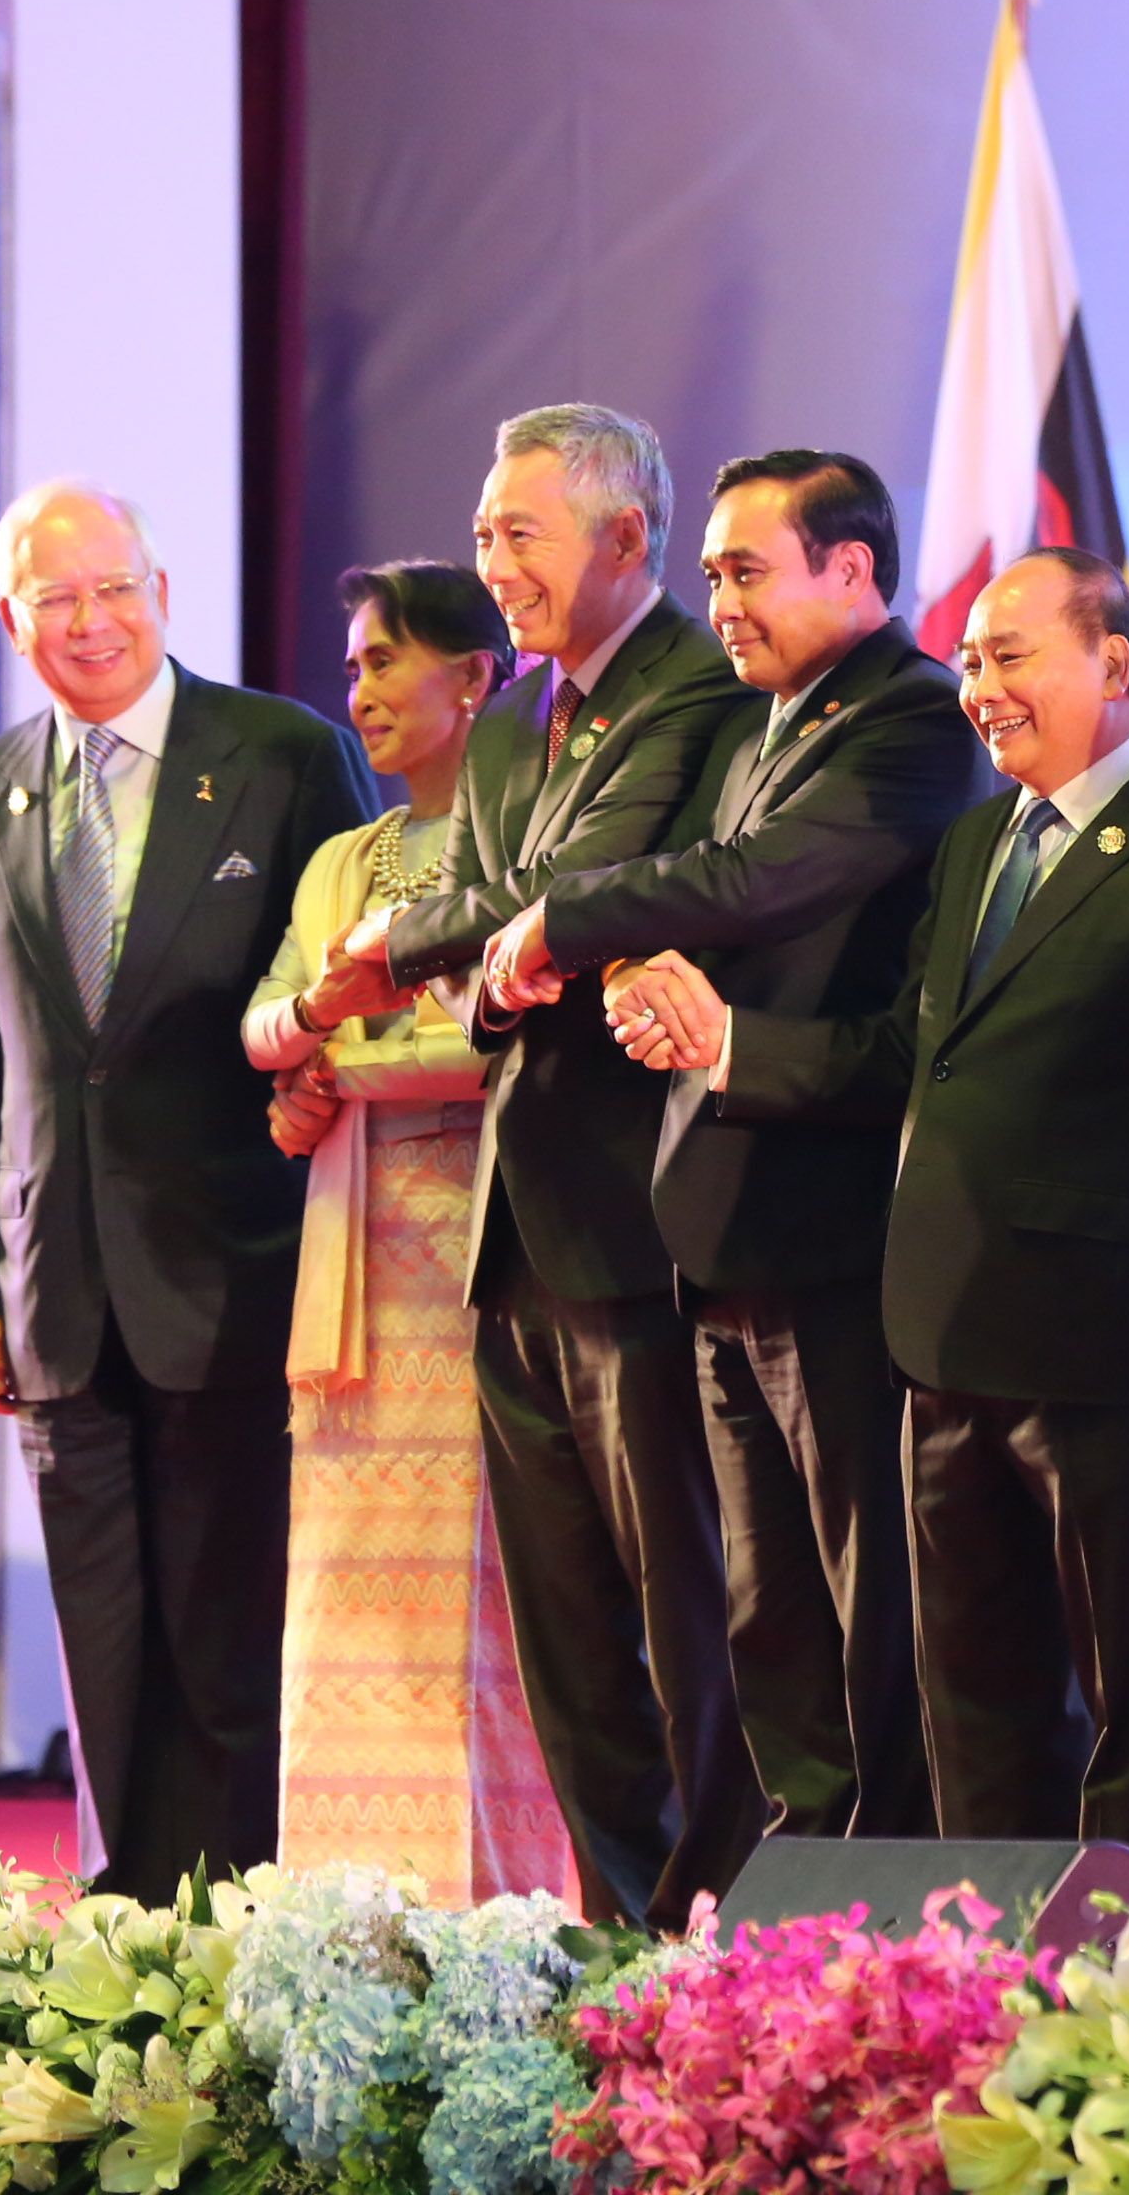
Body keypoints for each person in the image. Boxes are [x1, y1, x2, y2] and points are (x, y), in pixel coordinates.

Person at [618, 550, 1129, 1903]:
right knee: (970, 1694)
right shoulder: (978, 843)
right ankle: (980, 1972)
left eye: (1012, 655)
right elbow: (913, 1054)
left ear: (1116, 668)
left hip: (1104, 1338)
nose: (980, 688)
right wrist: (736, 1052)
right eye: (968, 659)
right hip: (942, 1336)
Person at [485, 450, 980, 1844]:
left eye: (746, 570)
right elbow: (703, 898)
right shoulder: (762, 723)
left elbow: (767, 882)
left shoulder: (918, 721)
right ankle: (791, 1929)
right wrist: (640, 965)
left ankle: (891, 1922)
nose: (722, 602)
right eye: (710, 573)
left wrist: (570, 925)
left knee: (866, 1607)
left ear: (854, 573)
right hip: (714, 1226)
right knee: (765, 1622)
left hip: (835, 1225)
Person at [0, 479, 373, 1899]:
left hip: (233, 1267)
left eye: (111, 586)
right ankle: (121, 1938)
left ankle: (239, 1919)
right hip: (54, 1295)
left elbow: (347, 995)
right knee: (104, 1650)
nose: (89, 620)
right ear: (12, 620)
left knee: (228, 1642)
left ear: (162, 592)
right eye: (52, 597)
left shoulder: (280, 752)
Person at [360, 404, 756, 1926]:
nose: (495, 566)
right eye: (482, 534)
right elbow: (482, 902)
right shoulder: (519, 716)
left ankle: (713, 1934)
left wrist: (450, 942)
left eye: (521, 533)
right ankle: (614, 1934)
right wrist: (481, 961)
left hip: (647, 1221)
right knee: (567, 1628)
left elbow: (562, 888)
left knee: (688, 1612)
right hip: (515, 1224)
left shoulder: (701, 686)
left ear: (626, 541)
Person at [242, 561, 571, 1898]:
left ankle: (496, 1916)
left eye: (385, 662)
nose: (356, 691)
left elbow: (488, 1044)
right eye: (354, 664)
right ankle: (345, 1914)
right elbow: (268, 1022)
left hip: (489, 1262)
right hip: (358, 1276)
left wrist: (336, 1059)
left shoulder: (529, 852)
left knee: (485, 1617)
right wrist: (318, 1034)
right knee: (345, 1621)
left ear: (476, 679)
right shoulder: (342, 862)